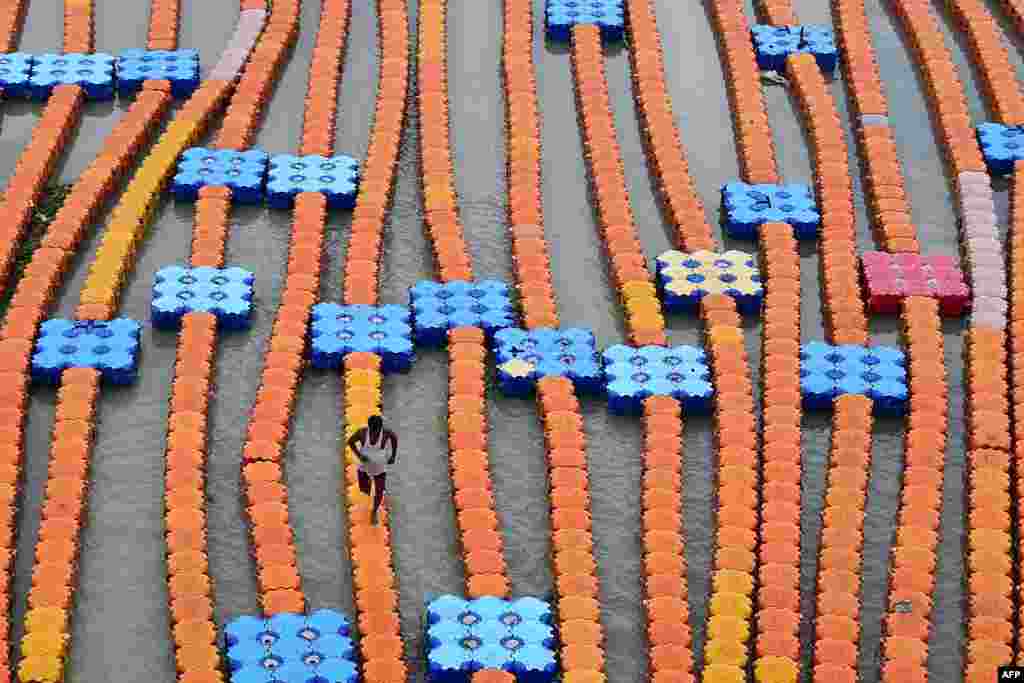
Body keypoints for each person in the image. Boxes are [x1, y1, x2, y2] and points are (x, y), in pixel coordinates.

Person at [346, 415, 398, 524]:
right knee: (364, 489)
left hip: (380, 468)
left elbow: (394, 438)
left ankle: (374, 511)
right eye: (373, 430)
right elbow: (350, 442)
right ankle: (369, 498)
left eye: (377, 430)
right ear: (369, 427)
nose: (375, 433)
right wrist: (359, 455)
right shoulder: (362, 433)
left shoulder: (386, 433)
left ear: (380, 428)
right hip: (364, 467)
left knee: (379, 491)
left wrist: (393, 455)